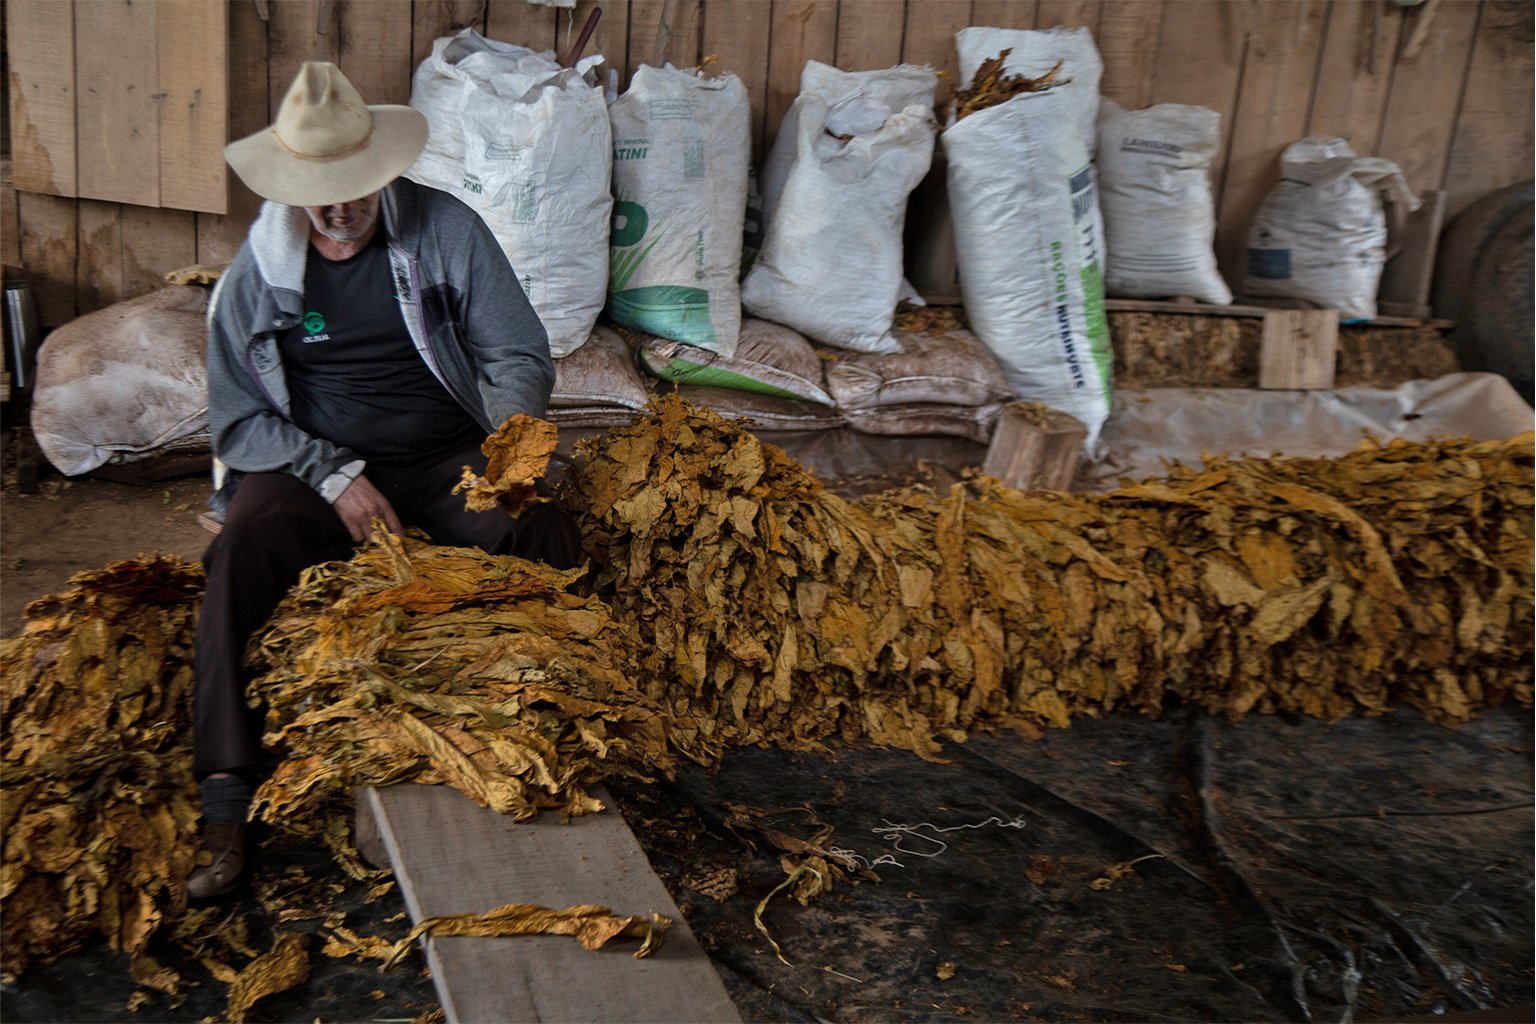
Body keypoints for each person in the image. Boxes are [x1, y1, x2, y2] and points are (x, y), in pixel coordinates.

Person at [188, 62, 581, 897]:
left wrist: (508, 449)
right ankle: (225, 794)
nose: (338, 207)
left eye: (354, 185)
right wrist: (331, 477)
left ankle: (557, 711)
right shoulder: (255, 278)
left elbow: (516, 352)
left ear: (384, 169)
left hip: (444, 455)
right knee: (239, 554)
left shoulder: (446, 232)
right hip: (314, 466)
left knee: (538, 527)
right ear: (292, 190)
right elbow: (238, 419)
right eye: (318, 191)